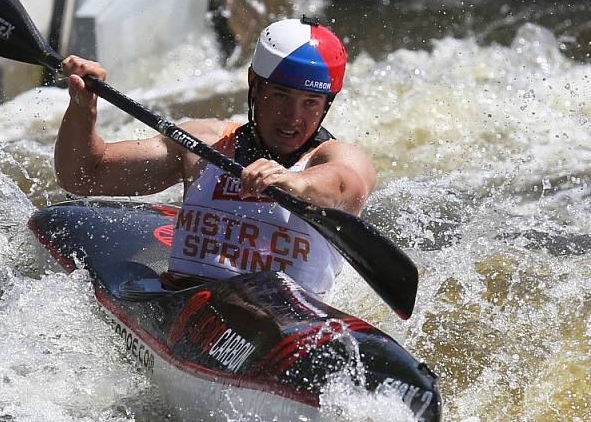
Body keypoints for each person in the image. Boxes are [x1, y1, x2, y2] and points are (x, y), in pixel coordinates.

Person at [55, 17, 376, 297]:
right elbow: (84, 174)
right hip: (186, 301)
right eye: (281, 96)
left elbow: (344, 185)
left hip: (286, 323)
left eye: (310, 102)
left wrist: (295, 181)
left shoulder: (337, 156)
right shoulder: (204, 144)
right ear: (254, 84)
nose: (293, 117)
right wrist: (83, 109)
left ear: (327, 103)